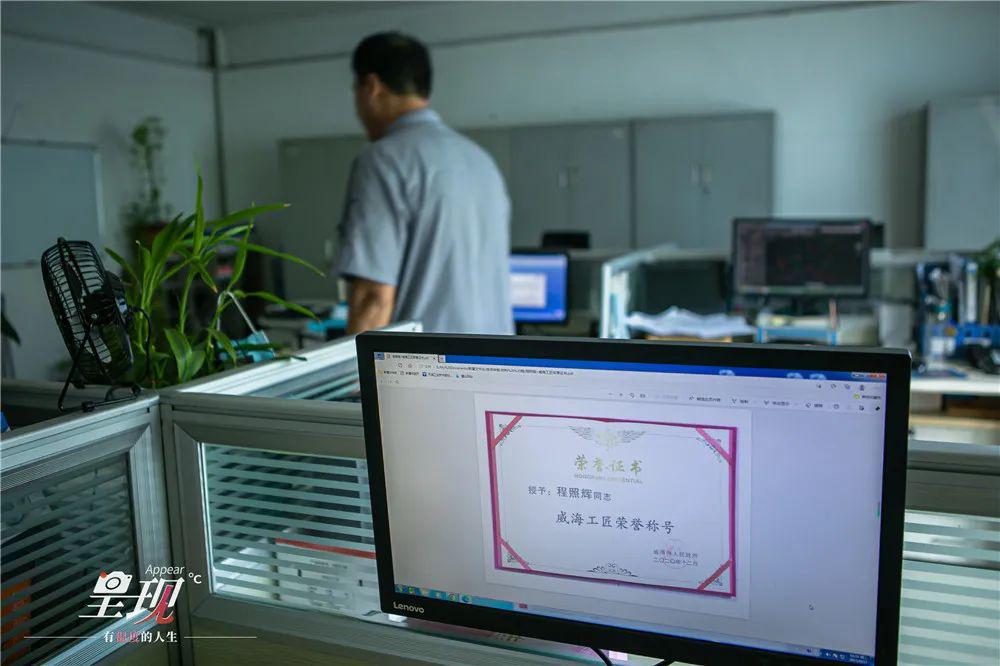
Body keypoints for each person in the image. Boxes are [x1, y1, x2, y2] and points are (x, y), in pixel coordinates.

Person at [335, 32, 513, 335]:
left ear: (371, 87)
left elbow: (374, 298)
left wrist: (354, 366)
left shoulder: (383, 161)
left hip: (427, 362)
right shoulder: (481, 161)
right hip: (495, 358)